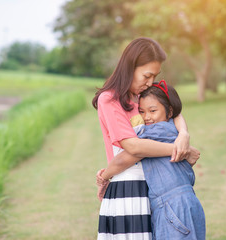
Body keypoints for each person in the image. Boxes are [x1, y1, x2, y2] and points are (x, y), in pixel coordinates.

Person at [92, 37, 200, 240]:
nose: (149, 83)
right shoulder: (110, 99)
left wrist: (184, 135)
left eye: (154, 77)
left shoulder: (143, 96)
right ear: (130, 67)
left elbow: (173, 112)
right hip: (129, 191)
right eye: (146, 75)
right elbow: (133, 147)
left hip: (155, 190)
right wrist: (179, 149)